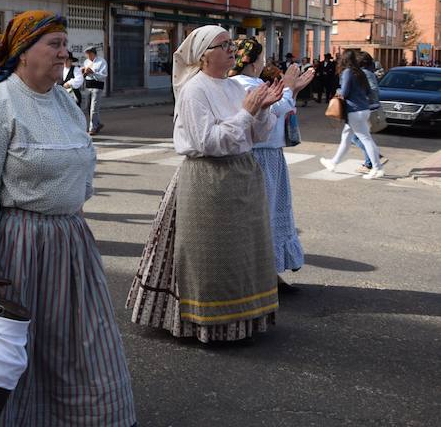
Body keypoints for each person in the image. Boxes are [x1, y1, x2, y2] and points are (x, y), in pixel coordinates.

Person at [0, 10, 136, 425]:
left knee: (78, 343)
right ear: (22, 51)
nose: (64, 53)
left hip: (69, 245)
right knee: (14, 348)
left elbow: (82, 166)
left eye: (65, 45)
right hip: (18, 247)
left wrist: (70, 216)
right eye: (54, 44)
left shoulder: (66, 102)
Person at [126, 24, 284, 342]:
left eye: (231, 44)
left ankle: (242, 320)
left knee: (242, 253)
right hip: (208, 179)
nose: (231, 49)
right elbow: (207, 141)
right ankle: (207, 324)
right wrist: (246, 113)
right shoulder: (194, 90)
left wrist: (262, 110)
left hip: (242, 175)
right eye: (223, 45)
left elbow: (257, 135)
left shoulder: (235, 87)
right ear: (203, 56)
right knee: (210, 255)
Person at [229, 37, 314, 291]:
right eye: (261, 58)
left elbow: (280, 108)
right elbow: (278, 109)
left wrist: (291, 89)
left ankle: (267, 273)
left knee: (262, 215)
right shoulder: (249, 84)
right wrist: (289, 87)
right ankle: (264, 276)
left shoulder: (233, 84)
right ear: (253, 62)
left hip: (258, 155)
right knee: (266, 215)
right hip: (262, 156)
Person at [320, 50, 384, 179]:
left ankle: (377, 168)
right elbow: (368, 91)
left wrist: (338, 91)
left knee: (365, 139)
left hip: (354, 110)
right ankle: (333, 162)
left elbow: (344, 92)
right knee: (347, 138)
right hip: (363, 109)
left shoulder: (347, 72)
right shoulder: (360, 72)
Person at [352, 51, 387, 173]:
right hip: (366, 107)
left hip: (366, 108)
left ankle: (372, 160)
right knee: (363, 136)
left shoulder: (365, 73)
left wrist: (362, 99)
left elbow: (373, 89)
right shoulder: (366, 73)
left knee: (356, 137)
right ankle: (371, 160)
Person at [81, 46, 108, 135]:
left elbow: (103, 76)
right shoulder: (86, 62)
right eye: (87, 54)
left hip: (97, 86)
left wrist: (93, 73)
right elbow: (85, 74)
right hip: (88, 86)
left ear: (93, 53)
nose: (88, 56)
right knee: (88, 107)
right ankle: (98, 123)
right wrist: (83, 72)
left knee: (94, 108)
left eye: (89, 54)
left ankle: (92, 128)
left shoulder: (101, 62)